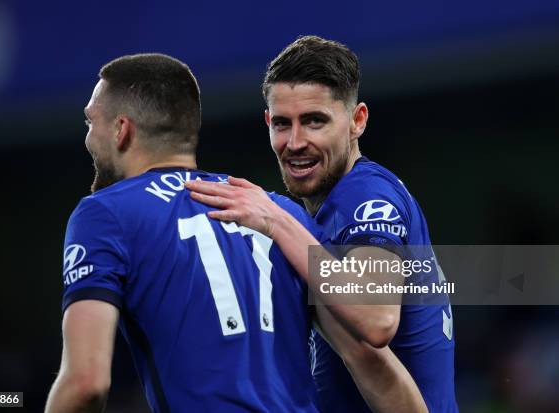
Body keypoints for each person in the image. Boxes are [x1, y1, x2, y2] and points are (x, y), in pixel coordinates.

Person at [44, 52, 426, 413]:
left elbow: (86, 383)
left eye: (90, 123)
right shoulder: (273, 210)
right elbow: (365, 356)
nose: (87, 138)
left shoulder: (105, 213)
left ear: (121, 131)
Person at [186, 35, 458, 412]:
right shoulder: (324, 211)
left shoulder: (367, 199)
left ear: (357, 121)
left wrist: (277, 223)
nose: (295, 142)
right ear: (267, 122)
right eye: (282, 124)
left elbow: (376, 316)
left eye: (314, 121)